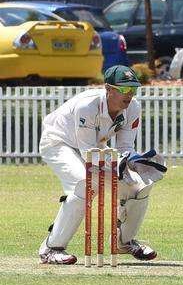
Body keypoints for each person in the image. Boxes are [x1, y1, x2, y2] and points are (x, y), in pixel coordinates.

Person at [39, 65, 164, 264]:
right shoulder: (87, 106)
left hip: (94, 147)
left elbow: (124, 146)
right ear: (108, 88)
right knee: (85, 183)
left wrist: (135, 161)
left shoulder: (133, 107)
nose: (129, 94)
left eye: (133, 89)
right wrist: (119, 162)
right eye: (124, 89)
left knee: (139, 186)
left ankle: (123, 242)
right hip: (59, 143)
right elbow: (87, 152)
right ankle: (51, 248)